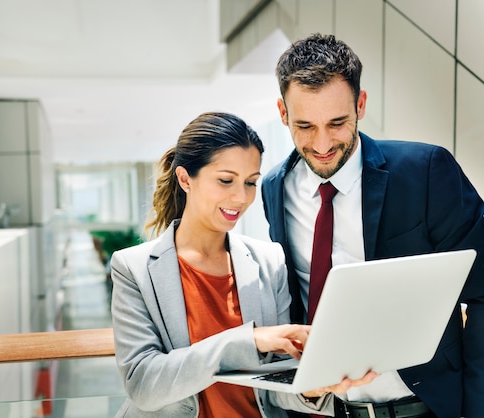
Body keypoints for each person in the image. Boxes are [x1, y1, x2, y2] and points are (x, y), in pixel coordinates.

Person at [261, 33, 484, 418]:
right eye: (305, 126)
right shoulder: (274, 188)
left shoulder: (425, 172)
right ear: (283, 113)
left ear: (360, 105)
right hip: (331, 410)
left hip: (427, 407)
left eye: (337, 122)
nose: (323, 143)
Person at [110, 111, 375, 417]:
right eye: (226, 181)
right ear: (185, 179)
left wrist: (307, 389)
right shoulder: (134, 268)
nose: (240, 197)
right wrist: (247, 341)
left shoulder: (269, 261)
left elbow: (273, 390)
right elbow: (144, 385)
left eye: (251, 183)